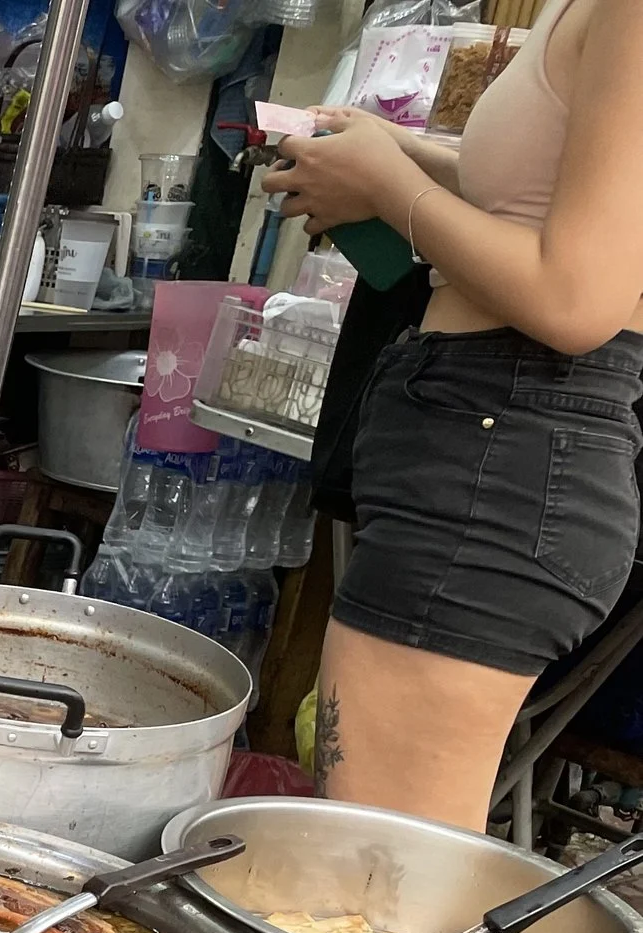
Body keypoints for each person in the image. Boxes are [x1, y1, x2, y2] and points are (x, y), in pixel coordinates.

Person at [259, 0, 643, 832]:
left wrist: (390, 188)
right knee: (371, 867)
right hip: (486, 435)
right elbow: (543, 207)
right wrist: (394, 157)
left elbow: (579, 299)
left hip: (503, 441)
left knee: (372, 883)